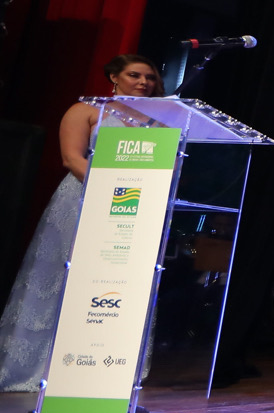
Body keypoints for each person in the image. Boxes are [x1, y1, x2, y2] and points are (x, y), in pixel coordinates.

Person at [0, 55, 160, 392]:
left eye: (149, 77)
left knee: (113, 284)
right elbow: (72, 158)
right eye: (134, 75)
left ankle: (101, 366)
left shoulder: (158, 121)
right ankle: (37, 368)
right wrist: (109, 188)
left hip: (133, 207)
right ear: (113, 77)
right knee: (64, 275)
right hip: (84, 198)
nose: (143, 82)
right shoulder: (86, 110)